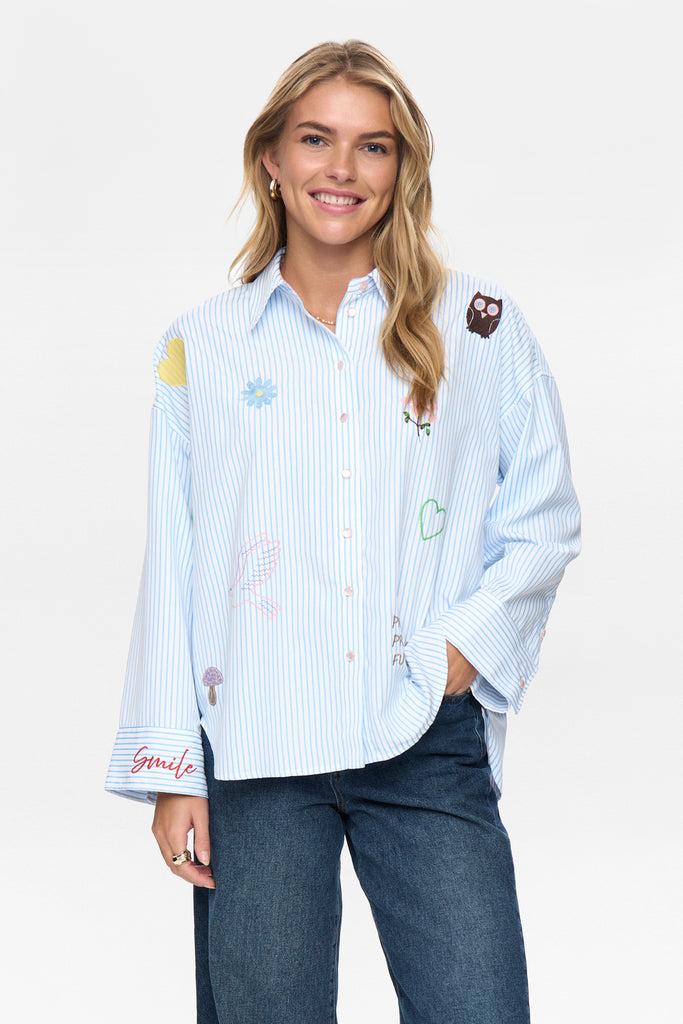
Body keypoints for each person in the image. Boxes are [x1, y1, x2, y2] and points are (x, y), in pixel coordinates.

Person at [106, 39, 580, 1024]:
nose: (342, 168)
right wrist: (172, 770)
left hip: (421, 737)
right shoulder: (202, 346)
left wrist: (457, 653)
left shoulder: (477, 327)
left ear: (401, 167)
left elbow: (541, 516)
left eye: (373, 146)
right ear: (271, 159)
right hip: (256, 748)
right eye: (316, 139)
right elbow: (177, 560)